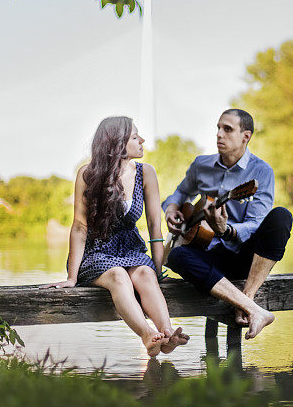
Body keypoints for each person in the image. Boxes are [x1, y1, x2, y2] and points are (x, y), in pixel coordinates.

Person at [42, 116, 189, 357]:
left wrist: (158, 268)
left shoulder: (146, 172)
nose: (142, 140)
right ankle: (148, 336)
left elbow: (154, 225)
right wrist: (71, 277)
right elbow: (80, 226)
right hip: (96, 253)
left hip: (130, 249)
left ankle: (168, 333)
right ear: (117, 144)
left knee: (144, 274)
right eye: (134, 137)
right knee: (119, 276)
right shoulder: (87, 174)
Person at [163, 109, 293, 340]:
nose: (219, 134)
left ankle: (248, 297)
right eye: (218, 128)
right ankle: (254, 310)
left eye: (228, 129)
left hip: (245, 258)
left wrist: (226, 230)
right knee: (176, 256)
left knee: (281, 216)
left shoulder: (261, 171)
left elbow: (255, 224)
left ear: (246, 136)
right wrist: (172, 208)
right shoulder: (201, 165)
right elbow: (181, 192)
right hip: (208, 255)